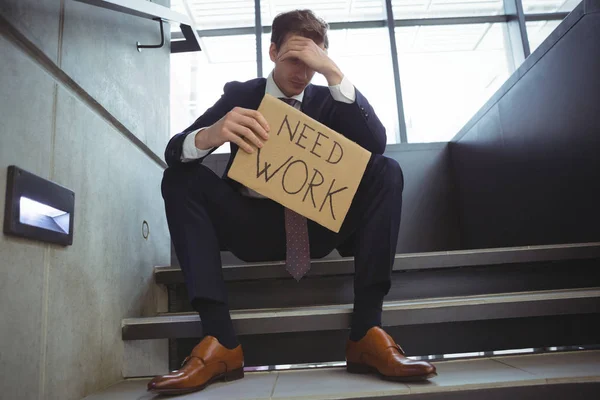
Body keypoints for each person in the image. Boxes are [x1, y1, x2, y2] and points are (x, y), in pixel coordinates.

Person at [149, 9, 436, 395]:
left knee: (386, 170)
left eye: (312, 63)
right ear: (272, 52)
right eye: (293, 59)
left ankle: (367, 331)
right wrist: (210, 134)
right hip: (250, 225)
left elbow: (375, 146)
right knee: (180, 177)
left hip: (318, 229)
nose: (302, 72)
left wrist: (334, 74)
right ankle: (219, 340)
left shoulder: (330, 98)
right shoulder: (241, 95)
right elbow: (173, 152)